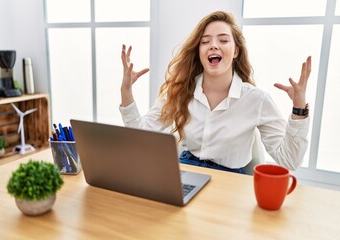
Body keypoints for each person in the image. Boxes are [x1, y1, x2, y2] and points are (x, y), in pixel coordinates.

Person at [119, 11, 311, 174]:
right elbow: (140, 134)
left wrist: (299, 110)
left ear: (235, 51)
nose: (213, 45)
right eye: (205, 41)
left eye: (223, 40)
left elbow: (289, 161)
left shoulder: (256, 100)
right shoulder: (180, 90)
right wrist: (126, 91)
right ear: (199, 51)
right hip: (186, 170)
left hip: (231, 179)